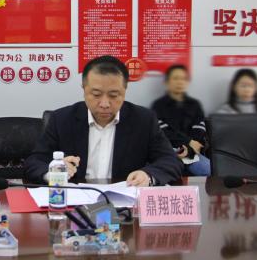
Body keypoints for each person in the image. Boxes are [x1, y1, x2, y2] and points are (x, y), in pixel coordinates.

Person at [24, 55, 183, 186]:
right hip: (75, 203)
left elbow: (171, 161)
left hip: (124, 205)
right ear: (84, 89)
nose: (105, 104)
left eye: (114, 95)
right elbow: (34, 162)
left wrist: (147, 176)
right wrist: (53, 172)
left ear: (125, 90)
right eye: (96, 94)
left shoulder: (143, 120)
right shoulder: (61, 119)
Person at [151, 65, 210, 176]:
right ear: (167, 82)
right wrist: (188, 142)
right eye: (175, 78)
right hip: (168, 152)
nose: (180, 82)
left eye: (183, 78)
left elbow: (199, 129)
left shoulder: (195, 104)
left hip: (192, 153)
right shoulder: (158, 105)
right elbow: (163, 132)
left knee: (209, 171)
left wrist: (189, 148)